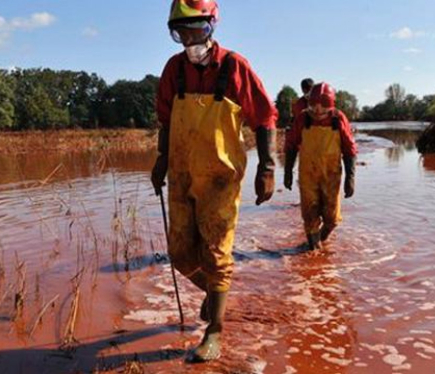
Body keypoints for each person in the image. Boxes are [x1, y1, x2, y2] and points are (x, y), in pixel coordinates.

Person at [151, 0, 278, 362]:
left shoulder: (235, 67)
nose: (190, 38)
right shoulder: (173, 70)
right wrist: (161, 160)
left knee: (216, 253)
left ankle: (215, 331)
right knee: (180, 254)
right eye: (182, 31)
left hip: (220, 179)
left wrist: (267, 167)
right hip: (181, 174)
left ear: (212, 26)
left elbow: (265, 118)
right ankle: (214, 293)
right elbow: (165, 120)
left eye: (198, 29)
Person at [284, 82, 357, 250]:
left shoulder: (338, 119)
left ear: (330, 107)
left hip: (331, 175)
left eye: (322, 108)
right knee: (310, 215)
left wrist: (350, 178)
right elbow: (291, 145)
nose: (317, 111)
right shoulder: (303, 118)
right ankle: (313, 251)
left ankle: (319, 242)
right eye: (313, 106)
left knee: (331, 219)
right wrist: (287, 172)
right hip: (308, 175)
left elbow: (350, 150)